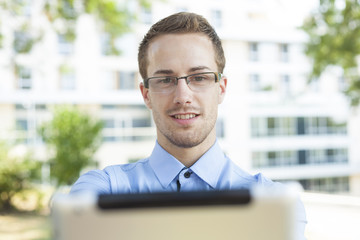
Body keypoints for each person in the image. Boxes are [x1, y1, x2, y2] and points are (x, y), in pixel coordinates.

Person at [70, 12, 307, 237]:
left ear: (221, 89)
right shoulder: (101, 190)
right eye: (165, 80)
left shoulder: (274, 203)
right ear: (146, 94)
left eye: (199, 77)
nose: (183, 96)